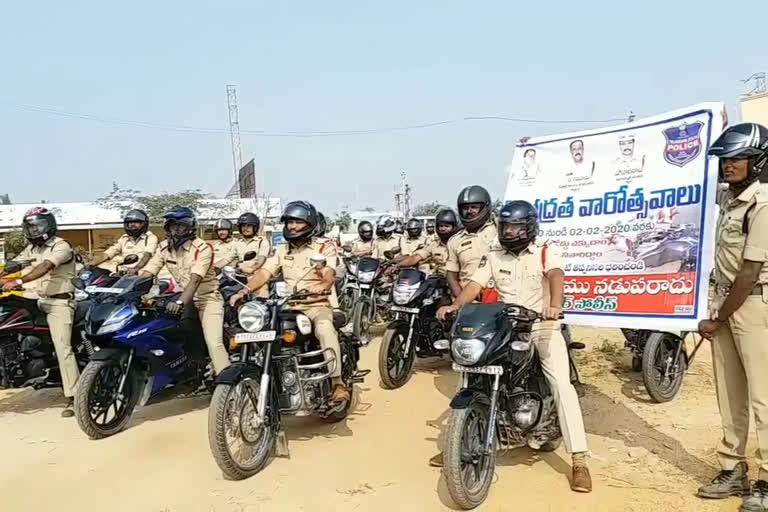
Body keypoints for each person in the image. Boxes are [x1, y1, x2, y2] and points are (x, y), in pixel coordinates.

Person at [436, 200, 592, 493]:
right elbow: (475, 284)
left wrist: (554, 306)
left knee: (560, 383)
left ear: (529, 228)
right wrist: (456, 304)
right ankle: (458, 441)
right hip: (507, 326)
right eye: (505, 226)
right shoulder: (494, 254)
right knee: (474, 369)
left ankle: (579, 459)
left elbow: (556, 275)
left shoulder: (545, 250)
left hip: (541, 327)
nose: (509, 232)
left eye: (515, 227)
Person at [697, 122, 768, 511]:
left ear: (758, 161)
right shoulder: (729, 201)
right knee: (730, 393)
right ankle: (732, 467)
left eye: (737, 158)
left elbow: (748, 273)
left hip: (752, 305)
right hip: (724, 305)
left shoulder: (763, 205)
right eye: (725, 158)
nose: (728, 165)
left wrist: (718, 318)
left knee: (763, 397)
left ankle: (767, 479)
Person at [229, 201, 349, 405]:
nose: (292, 226)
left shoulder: (323, 246)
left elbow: (329, 271)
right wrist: (244, 290)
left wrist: (323, 284)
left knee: (325, 328)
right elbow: (265, 272)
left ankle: (337, 383)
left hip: (315, 305)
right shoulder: (282, 249)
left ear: (309, 223)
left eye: (297, 222)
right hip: (288, 306)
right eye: (289, 222)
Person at [0, 208, 79, 417]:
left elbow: (45, 267)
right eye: (29, 226)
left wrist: (17, 281)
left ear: (48, 225)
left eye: (37, 226)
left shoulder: (61, 246)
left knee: (63, 348)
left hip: (59, 303)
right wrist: (3, 274)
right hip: (35, 299)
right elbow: (14, 264)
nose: (33, 230)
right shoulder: (32, 248)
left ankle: (74, 396)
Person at [140, 206, 230, 375]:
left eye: (182, 225)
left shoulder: (202, 248)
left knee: (213, 341)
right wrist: (132, 289)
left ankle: (227, 383)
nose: (177, 229)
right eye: (173, 225)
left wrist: (180, 302)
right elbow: (149, 272)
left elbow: (196, 279)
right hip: (181, 297)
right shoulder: (163, 247)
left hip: (207, 299)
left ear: (190, 227)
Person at [445, 185, 498, 298]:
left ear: (485, 207)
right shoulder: (454, 241)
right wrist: (462, 301)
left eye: (474, 207)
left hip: (498, 300)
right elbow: (451, 276)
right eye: (465, 208)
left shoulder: (498, 230)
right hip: (470, 301)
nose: (469, 211)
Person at [87, 209, 157, 273]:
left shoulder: (150, 238)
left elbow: (147, 255)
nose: (132, 225)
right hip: (125, 273)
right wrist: (91, 264)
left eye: (136, 222)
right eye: (130, 223)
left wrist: (136, 268)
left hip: (143, 274)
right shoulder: (124, 239)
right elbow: (108, 253)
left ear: (144, 224)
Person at [393, 209, 458, 277]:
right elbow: (415, 258)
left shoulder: (459, 244)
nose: (443, 229)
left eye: (447, 226)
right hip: (438, 281)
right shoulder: (433, 245)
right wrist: (397, 266)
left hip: (457, 281)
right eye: (441, 226)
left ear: (454, 227)